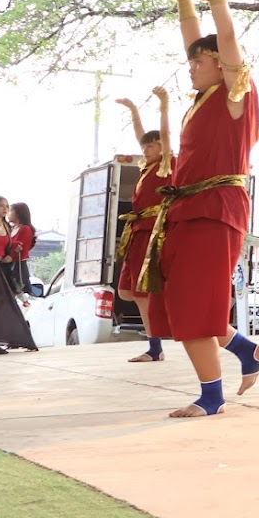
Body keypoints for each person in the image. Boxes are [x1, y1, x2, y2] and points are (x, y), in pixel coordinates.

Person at [143, 0, 259, 418]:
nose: (190, 66)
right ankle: (245, 351)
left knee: (195, 305)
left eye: (199, 61)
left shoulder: (236, 95)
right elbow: (198, 42)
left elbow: (225, 39)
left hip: (216, 210)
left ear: (223, 65)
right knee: (183, 301)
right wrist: (183, 2)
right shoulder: (202, 98)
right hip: (187, 210)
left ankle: (211, 397)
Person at [115, 88, 173, 362]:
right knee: (128, 290)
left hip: (154, 232)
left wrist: (163, 105)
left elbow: (165, 135)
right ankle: (155, 344)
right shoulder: (145, 168)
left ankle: (155, 346)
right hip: (139, 232)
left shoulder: (167, 165)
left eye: (152, 145)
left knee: (143, 291)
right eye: (145, 146)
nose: (146, 148)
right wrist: (133, 110)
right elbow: (141, 135)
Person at [6, 202, 36, 300]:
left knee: (18, 292)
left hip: (18, 266)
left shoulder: (25, 229)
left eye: (10, 210)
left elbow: (19, 247)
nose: (8, 213)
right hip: (7, 264)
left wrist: (11, 255)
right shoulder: (11, 228)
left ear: (18, 213)